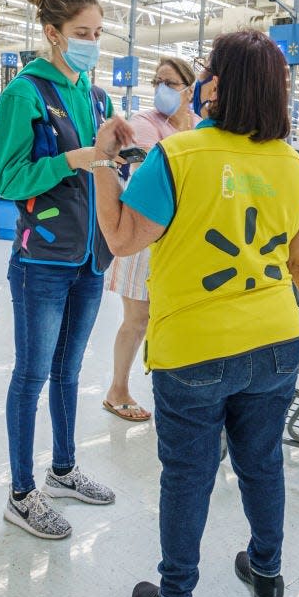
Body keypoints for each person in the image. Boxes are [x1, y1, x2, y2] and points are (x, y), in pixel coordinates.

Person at [91, 30, 299, 597]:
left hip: (192, 345)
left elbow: (122, 240)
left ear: (216, 84)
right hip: (275, 338)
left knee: (188, 474)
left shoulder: (175, 157)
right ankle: (268, 574)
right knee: (261, 459)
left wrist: (102, 161)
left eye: (204, 72)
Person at [0, 0, 117, 540]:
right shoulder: (24, 93)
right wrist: (73, 158)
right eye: (81, 33)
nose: (91, 42)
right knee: (33, 374)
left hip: (90, 256)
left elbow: (106, 172)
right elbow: (8, 177)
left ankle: (63, 469)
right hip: (41, 259)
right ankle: (21, 492)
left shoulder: (94, 94)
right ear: (52, 33)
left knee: (69, 371)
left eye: (97, 32)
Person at [102, 57, 199, 423]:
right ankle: (118, 390)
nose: (161, 88)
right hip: (144, 234)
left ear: (189, 90)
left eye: (170, 83)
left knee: (174, 317)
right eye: (157, 80)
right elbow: (153, 176)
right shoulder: (145, 123)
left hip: (181, 241)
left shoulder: (200, 128)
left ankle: (172, 391)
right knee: (137, 319)